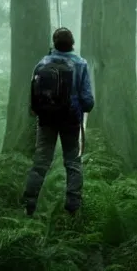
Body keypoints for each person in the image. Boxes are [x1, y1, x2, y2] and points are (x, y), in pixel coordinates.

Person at [22, 27, 94, 216]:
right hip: (71, 120)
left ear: (54, 44)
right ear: (72, 44)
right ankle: (73, 208)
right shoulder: (80, 64)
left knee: (41, 162)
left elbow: (33, 96)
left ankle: (29, 205)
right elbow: (88, 101)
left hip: (46, 119)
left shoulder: (42, 63)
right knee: (73, 162)